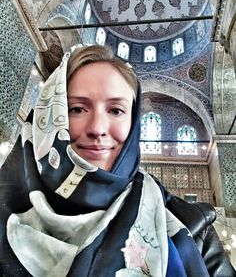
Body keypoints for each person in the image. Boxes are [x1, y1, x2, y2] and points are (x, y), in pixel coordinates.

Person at [0, 44, 235, 277]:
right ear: (49, 114)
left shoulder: (194, 232)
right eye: (77, 109)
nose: (97, 128)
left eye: (115, 110)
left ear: (133, 124)